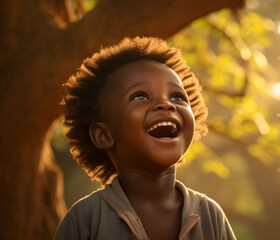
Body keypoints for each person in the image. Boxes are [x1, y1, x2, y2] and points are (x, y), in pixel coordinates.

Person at [55, 36, 236, 240]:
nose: (166, 104)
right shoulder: (86, 219)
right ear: (104, 135)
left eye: (177, 97)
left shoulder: (210, 216)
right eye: (139, 96)